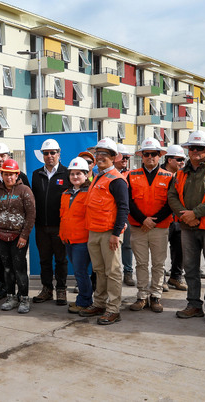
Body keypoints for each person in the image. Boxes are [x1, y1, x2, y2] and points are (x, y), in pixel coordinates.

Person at [167, 131, 205, 325]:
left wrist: (195, 214)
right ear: (188, 150)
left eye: (200, 148)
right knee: (190, 268)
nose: (196, 151)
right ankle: (194, 304)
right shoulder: (180, 174)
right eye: (192, 148)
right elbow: (172, 196)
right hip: (188, 227)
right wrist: (185, 215)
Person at [79, 138, 130, 325]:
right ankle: (99, 303)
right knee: (99, 270)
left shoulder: (117, 180)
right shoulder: (97, 177)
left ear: (113, 157)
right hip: (94, 231)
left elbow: (123, 208)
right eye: (98, 153)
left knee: (113, 271)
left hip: (110, 233)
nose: (99, 157)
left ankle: (113, 309)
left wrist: (116, 234)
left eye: (104, 154)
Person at [126, 138, 173, 313]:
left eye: (154, 154)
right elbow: (128, 201)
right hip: (138, 227)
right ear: (142, 156)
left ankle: (155, 296)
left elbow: (171, 202)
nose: (150, 157)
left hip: (159, 228)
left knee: (158, 264)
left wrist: (153, 221)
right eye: (147, 154)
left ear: (160, 156)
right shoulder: (131, 175)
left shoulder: (169, 177)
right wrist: (142, 220)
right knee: (141, 263)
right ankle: (142, 296)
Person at [0, 159, 36, 314]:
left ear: (17, 175)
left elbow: (31, 215)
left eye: (12, 174)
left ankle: (24, 298)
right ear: (1, 175)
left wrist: (24, 236)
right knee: (7, 269)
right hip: (1, 237)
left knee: (20, 268)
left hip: (18, 237)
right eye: (6, 174)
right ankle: (11, 297)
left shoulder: (25, 191)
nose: (9, 177)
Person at [31, 138, 70, 306]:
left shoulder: (67, 173)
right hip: (41, 226)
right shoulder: (36, 174)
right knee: (44, 260)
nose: (49, 156)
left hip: (60, 226)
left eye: (52, 152)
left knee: (61, 260)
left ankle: (61, 289)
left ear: (59, 153)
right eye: (46, 153)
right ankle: (47, 289)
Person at [60, 157, 92, 314]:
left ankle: (84, 301)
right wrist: (62, 234)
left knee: (81, 272)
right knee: (78, 272)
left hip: (82, 241)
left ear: (86, 175)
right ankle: (83, 299)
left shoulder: (90, 193)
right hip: (68, 239)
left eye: (78, 173)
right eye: (72, 174)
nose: (75, 177)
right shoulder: (66, 193)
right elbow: (63, 216)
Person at [162, 145, 188, 292]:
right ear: (169, 159)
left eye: (183, 159)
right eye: (179, 159)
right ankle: (161, 279)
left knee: (180, 249)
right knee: (160, 252)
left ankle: (176, 277)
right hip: (163, 218)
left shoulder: (183, 175)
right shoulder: (159, 174)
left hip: (178, 218)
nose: (182, 162)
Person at [114, 145, 136, 288]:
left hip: (125, 214)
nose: (125, 160)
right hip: (109, 214)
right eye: (123, 157)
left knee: (127, 245)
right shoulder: (105, 174)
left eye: (127, 158)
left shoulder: (131, 175)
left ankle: (128, 272)